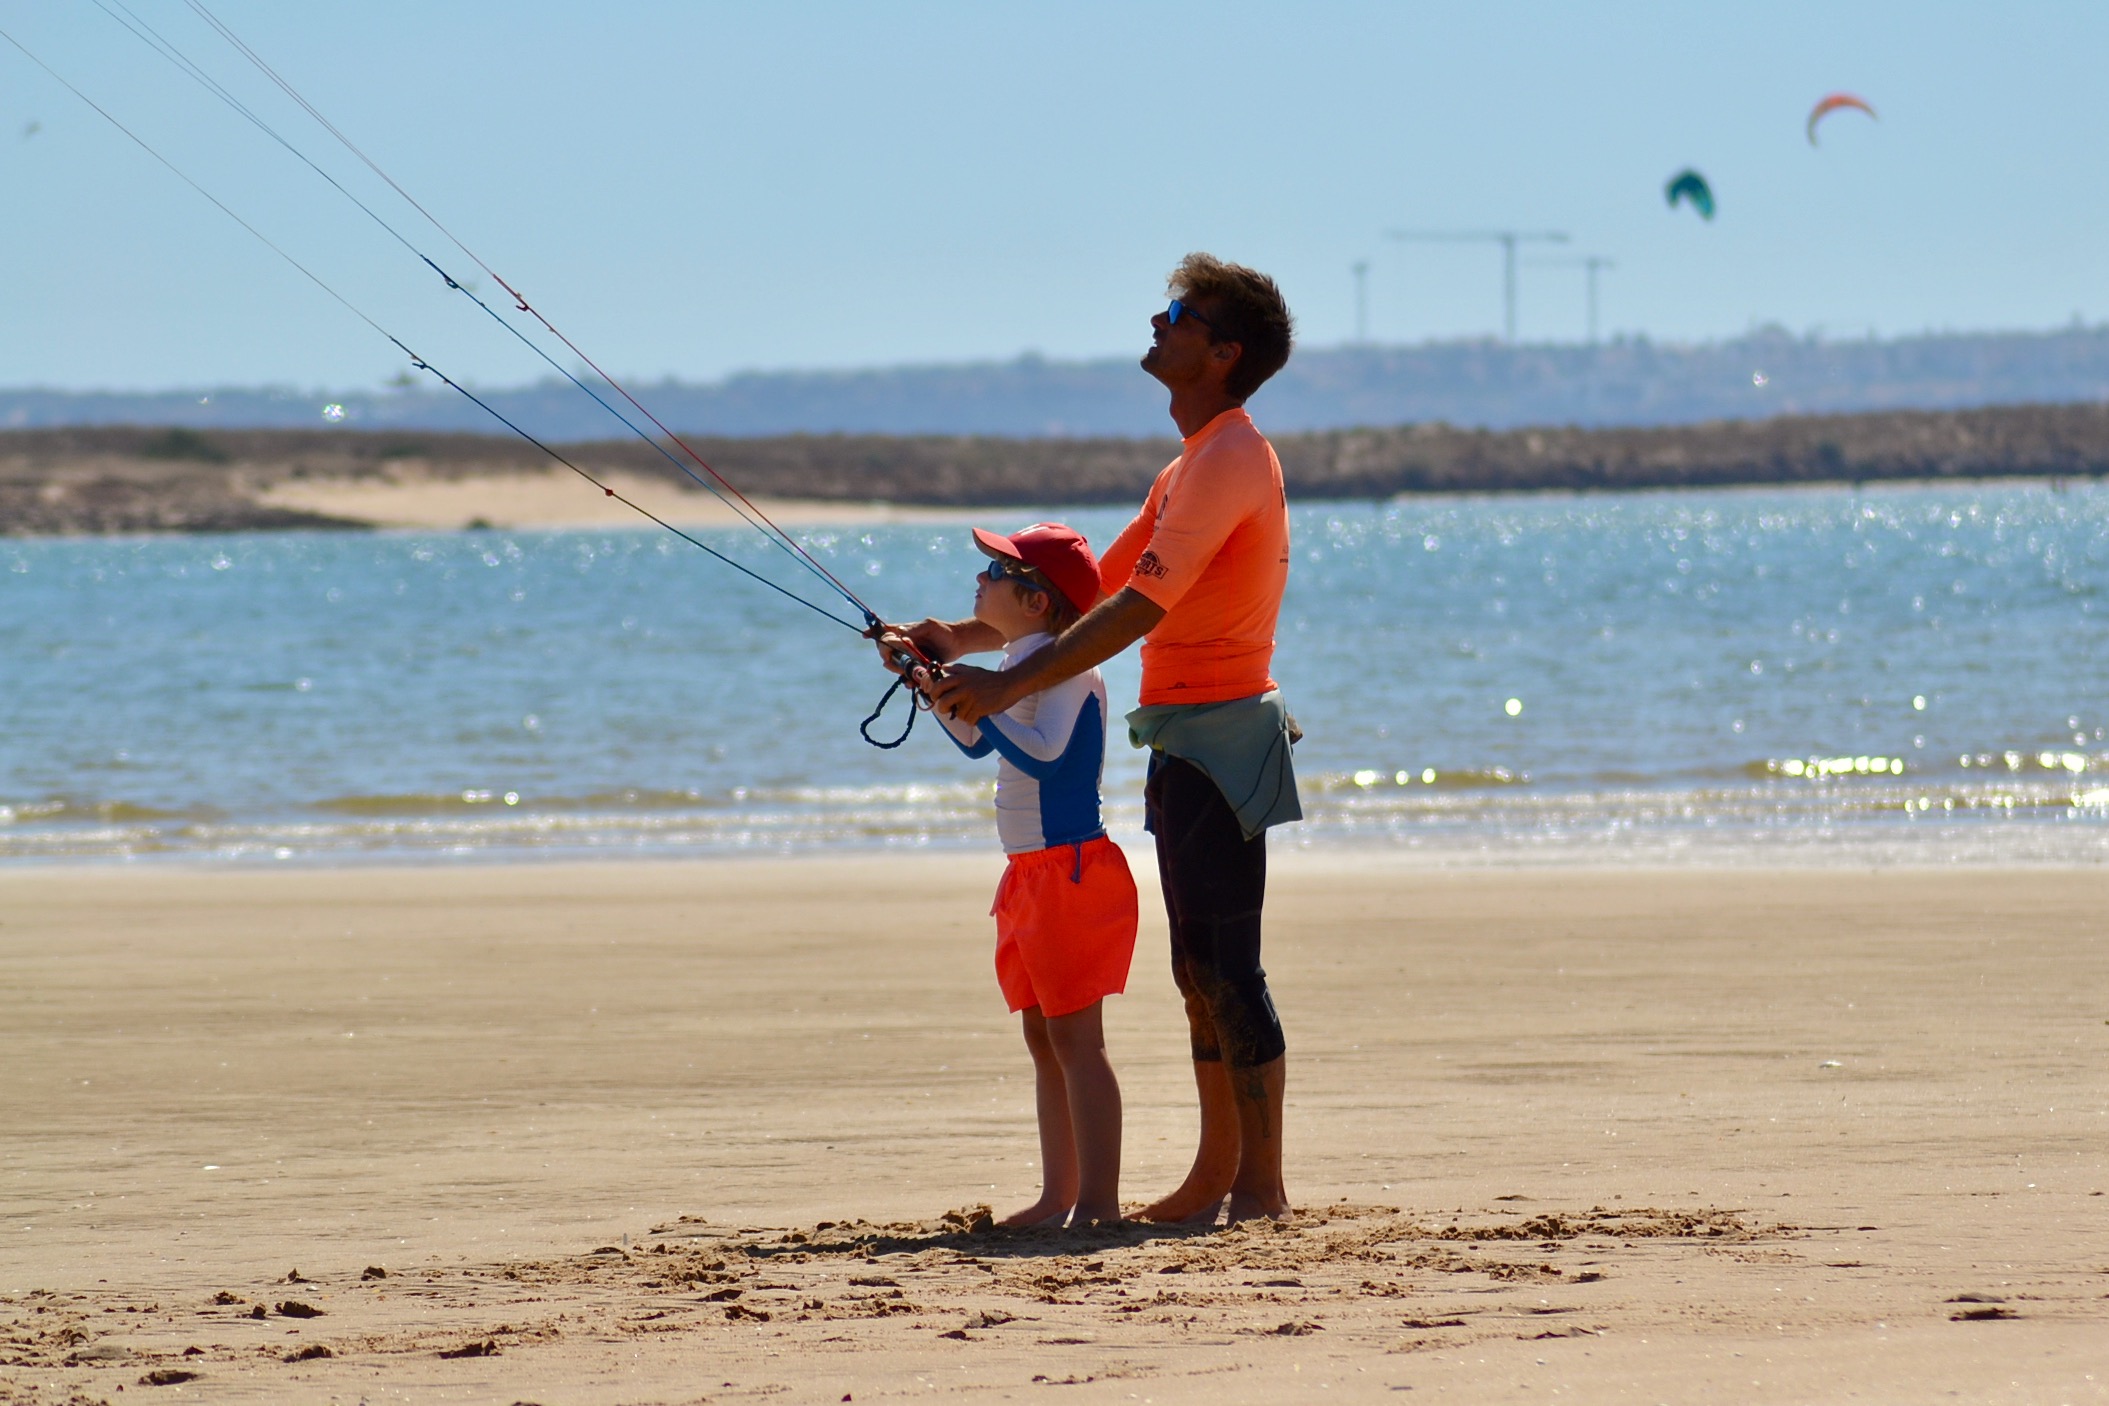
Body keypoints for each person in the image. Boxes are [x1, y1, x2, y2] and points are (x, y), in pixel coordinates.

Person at [886, 253, 1300, 1223]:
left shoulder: (1233, 455)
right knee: (1192, 965)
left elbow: (1133, 612)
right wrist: (955, 638)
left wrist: (1001, 688)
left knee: (1227, 965)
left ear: (1223, 350)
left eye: (1179, 314)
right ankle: (1216, 1175)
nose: (1158, 323)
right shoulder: (1188, 463)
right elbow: (1082, 600)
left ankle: (1260, 1185)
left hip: (1226, 733)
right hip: (1182, 735)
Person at [911, 521, 1140, 1228]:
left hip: (1072, 873)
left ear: (1036, 602)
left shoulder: (1068, 667)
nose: (978, 582)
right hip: (1030, 874)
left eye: (993, 573)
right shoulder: (1017, 665)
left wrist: (982, 696)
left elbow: (1043, 755)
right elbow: (981, 744)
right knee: (1042, 1038)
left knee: (1077, 1042)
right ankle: (1057, 1195)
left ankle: (1097, 1203)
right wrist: (936, 691)